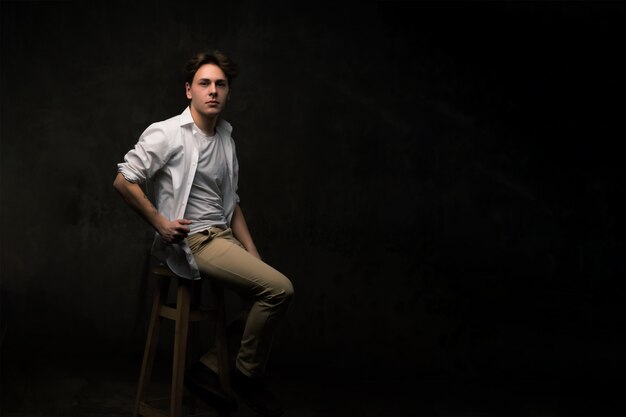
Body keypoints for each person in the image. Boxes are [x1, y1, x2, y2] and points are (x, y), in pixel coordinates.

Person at [113, 50, 293, 416]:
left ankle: (209, 368)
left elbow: (232, 202)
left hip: (223, 236)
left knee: (265, 295)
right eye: (204, 83)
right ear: (189, 91)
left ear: (228, 93)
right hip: (195, 240)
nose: (213, 91)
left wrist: (252, 252)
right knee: (279, 290)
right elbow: (123, 180)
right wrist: (161, 223)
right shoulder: (168, 133)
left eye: (220, 84)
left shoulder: (226, 137)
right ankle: (245, 375)